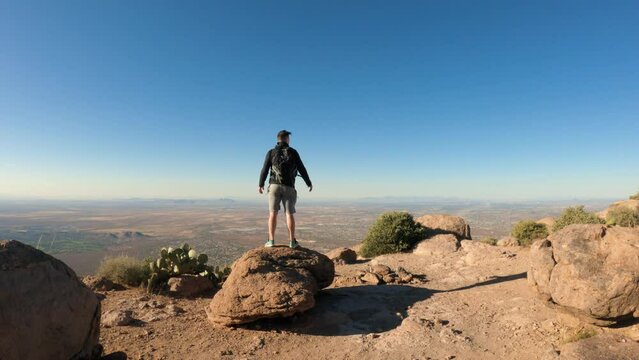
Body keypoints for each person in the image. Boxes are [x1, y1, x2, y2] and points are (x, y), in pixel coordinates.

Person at [258, 130, 312, 248]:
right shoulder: (293, 152)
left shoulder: (271, 152)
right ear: (287, 139)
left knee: (273, 213)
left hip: (274, 186)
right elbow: (301, 168)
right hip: (289, 187)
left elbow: (265, 169)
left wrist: (260, 184)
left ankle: (271, 241)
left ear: (278, 139)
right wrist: (308, 183)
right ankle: (292, 241)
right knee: (289, 214)